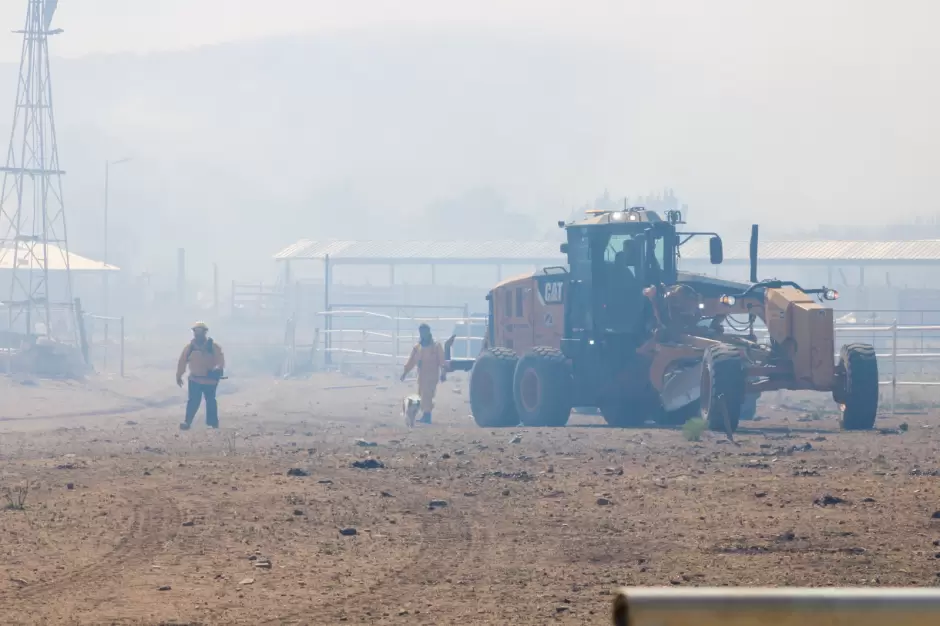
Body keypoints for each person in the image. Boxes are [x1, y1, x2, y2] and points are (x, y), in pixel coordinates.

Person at [176, 321, 225, 430]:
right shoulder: (190, 348)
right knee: (193, 401)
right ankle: (187, 422)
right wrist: (179, 375)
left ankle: (213, 424)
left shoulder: (213, 347)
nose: (197, 334)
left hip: (210, 380)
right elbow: (182, 362)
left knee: (211, 401)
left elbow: (220, 360)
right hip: (195, 379)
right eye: (195, 331)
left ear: (205, 332)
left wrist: (217, 368)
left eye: (199, 331)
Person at [400, 323, 447, 424]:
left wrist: (443, 373)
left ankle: (427, 416)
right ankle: (425, 415)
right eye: (421, 332)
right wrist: (405, 372)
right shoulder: (417, 347)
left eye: (424, 331)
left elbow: (442, 361)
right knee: (421, 395)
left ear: (428, 332)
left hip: (432, 375)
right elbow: (411, 361)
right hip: (421, 376)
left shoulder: (436, 346)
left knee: (427, 395)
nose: (423, 334)